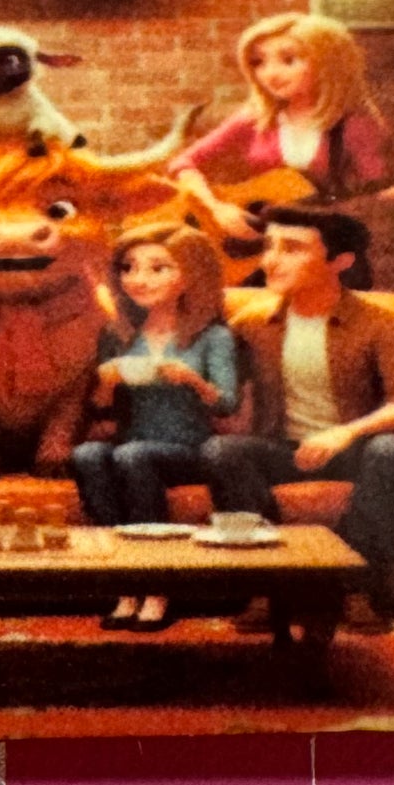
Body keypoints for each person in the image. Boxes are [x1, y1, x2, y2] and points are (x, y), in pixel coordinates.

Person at [201, 205, 394, 628]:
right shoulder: (252, 324)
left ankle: (357, 590)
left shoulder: (385, 324)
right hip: (285, 450)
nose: (271, 260)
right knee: (222, 451)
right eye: (269, 247)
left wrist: (344, 433)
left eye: (292, 249)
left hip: (358, 452)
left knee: (390, 451)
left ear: (340, 261)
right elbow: (220, 388)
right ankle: (265, 584)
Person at [70, 221, 240, 632]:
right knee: (88, 455)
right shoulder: (119, 335)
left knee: (133, 456)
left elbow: (227, 403)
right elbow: (100, 411)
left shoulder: (212, 336)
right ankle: (127, 581)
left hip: (189, 448)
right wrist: (106, 385)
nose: (139, 279)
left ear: (191, 275)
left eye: (158, 268)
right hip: (132, 444)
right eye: (129, 268)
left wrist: (193, 380)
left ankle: (159, 587)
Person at [168, 12, 394, 258]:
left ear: (327, 64)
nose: (270, 74)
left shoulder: (356, 126)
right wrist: (217, 209)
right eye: (259, 62)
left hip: (321, 249)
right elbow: (183, 164)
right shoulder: (255, 119)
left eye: (288, 60)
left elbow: (371, 193)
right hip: (255, 249)